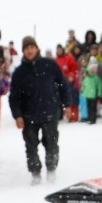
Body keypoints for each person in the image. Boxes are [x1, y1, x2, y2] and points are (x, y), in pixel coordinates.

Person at [7, 36, 70, 184]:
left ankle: (52, 170)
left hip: (50, 112)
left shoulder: (50, 65)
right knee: (31, 147)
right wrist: (17, 115)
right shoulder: (19, 72)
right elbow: (13, 97)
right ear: (23, 51)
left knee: (52, 144)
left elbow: (63, 85)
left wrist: (66, 105)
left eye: (31, 47)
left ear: (37, 48)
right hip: (29, 116)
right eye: (26, 48)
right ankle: (35, 173)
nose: (29, 50)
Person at [81, 60, 102, 124]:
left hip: (93, 95)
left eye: (91, 71)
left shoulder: (96, 78)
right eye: (89, 71)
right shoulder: (86, 78)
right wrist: (83, 90)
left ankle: (93, 119)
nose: (90, 73)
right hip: (87, 95)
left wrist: (99, 93)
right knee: (88, 107)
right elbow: (83, 85)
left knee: (93, 108)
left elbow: (99, 85)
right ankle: (89, 118)